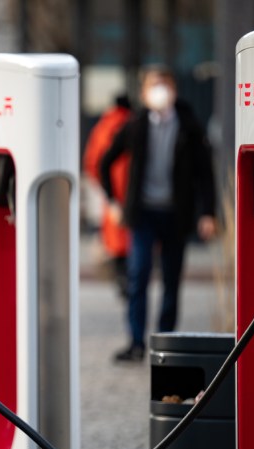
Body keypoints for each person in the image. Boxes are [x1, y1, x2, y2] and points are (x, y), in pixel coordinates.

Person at [99, 66, 217, 363]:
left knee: (171, 279)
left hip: (176, 214)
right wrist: (113, 201)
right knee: (138, 276)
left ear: (175, 90)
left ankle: (165, 342)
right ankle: (136, 342)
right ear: (144, 93)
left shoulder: (189, 125)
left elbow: (206, 173)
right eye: (153, 85)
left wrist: (208, 213)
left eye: (165, 84)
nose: (160, 90)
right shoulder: (135, 124)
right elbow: (105, 162)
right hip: (143, 214)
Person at [83, 94, 133, 298]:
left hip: (112, 190)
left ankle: (122, 278)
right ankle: (131, 279)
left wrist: (104, 185)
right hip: (134, 191)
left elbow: (92, 161)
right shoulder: (135, 123)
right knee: (133, 240)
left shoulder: (103, 126)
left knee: (116, 239)